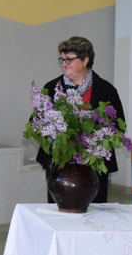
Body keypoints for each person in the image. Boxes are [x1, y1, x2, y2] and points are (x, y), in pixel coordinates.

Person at [35, 37, 125, 204]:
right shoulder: (52, 87)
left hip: (94, 164)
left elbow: (118, 126)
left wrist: (93, 142)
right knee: (60, 211)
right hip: (59, 164)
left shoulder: (106, 90)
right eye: (62, 59)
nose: (64, 63)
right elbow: (37, 123)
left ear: (85, 60)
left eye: (69, 59)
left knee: (95, 212)